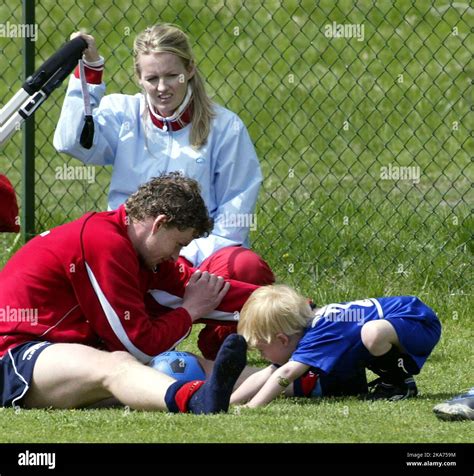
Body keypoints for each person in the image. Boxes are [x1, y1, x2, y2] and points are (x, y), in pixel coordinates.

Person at [53, 24, 274, 359]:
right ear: (138, 78)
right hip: (132, 256)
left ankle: (221, 352)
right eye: (151, 78)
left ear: (190, 69)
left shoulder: (225, 127)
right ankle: (128, 345)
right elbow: (70, 141)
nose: (161, 88)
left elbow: (235, 214)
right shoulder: (122, 113)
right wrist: (89, 73)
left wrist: (179, 259)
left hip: (197, 259)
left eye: (171, 76)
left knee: (246, 267)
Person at [0, 173, 256, 412]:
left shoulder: (140, 250)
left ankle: (291, 380)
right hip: (14, 356)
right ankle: (196, 401)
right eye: (179, 244)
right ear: (159, 223)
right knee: (119, 363)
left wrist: (289, 311)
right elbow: (137, 345)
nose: (177, 256)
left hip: (62, 356)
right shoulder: (104, 241)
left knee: (184, 364)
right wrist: (188, 312)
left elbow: (205, 291)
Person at [231, 285, 442, 408]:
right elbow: (269, 373)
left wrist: (252, 407)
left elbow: (286, 372)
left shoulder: (318, 334)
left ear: (283, 339)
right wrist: (229, 402)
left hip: (418, 321)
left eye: (261, 349)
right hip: (406, 321)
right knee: (367, 336)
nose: (263, 356)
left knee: (373, 333)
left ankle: (399, 384)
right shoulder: (305, 331)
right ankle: (392, 381)